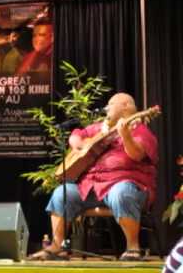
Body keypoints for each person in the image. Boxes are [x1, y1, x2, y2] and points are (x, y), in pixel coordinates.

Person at [30, 93, 158, 261]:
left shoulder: (141, 131)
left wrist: (125, 135)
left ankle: (132, 247)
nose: (106, 109)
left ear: (125, 105)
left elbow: (136, 155)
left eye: (110, 104)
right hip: (91, 187)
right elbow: (76, 134)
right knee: (62, 192)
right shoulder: (100, 128)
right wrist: (78, 144)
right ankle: (57, 246)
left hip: (125, 185)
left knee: (121, 192)